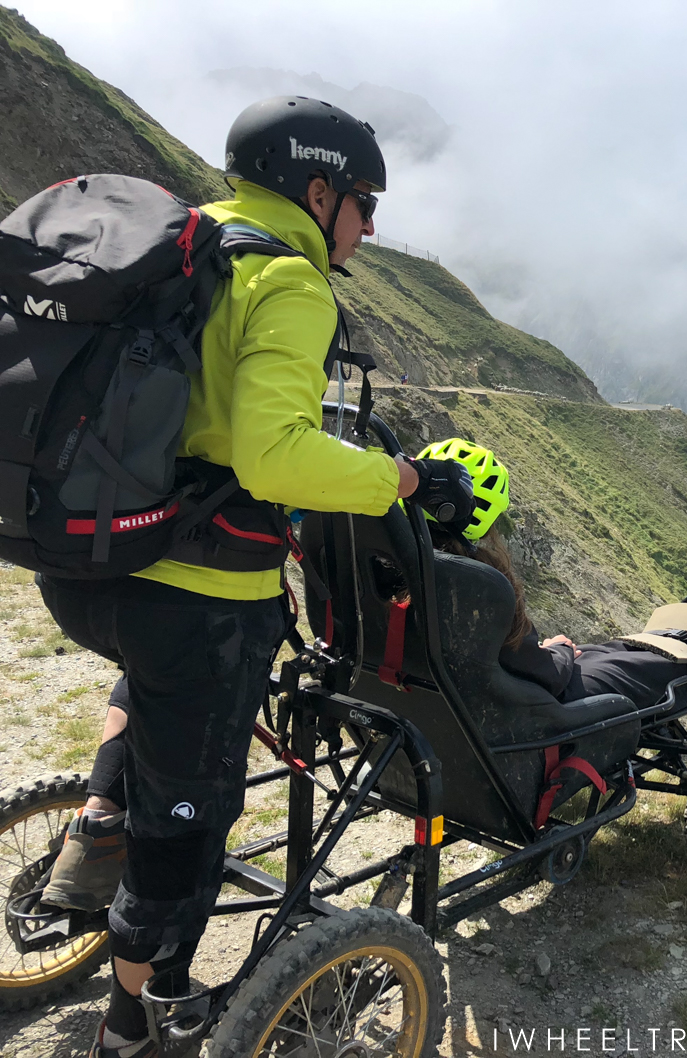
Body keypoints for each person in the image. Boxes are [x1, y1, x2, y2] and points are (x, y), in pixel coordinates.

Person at [37, 97, 479, 1058]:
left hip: (84, 563)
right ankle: (136, 1018)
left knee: (148, 684)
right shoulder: (287, 280)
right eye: (364, 203)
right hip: (196, 597)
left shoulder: (183, 245)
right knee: (190, 823)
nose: (369, 227)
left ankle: (97, 825)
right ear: (317, 191)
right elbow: (274, 457)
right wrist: (402, 479)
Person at [412, 438, 687, 708]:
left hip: (463, 703)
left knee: (604, 651)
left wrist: (548, 651)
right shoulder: (481, 584)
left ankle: (681, 634)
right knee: (631, 668)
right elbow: (545, 674)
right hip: (529, 708)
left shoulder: (403, 565)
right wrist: (557, 651)